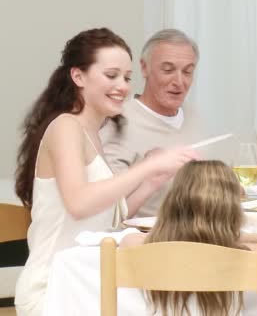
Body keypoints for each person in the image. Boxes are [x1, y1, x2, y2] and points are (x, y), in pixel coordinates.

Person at [13, 28, 198, 316]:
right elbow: (79, 202)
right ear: (78, 77)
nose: (122, 86)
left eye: (126, 77)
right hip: (53, 288)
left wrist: (150, 182)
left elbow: (103, 219)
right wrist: (146, 167)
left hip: (85, 280)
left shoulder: (94, 133)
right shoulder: (66, 126)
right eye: (111, 75)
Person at [120, 160, 257, 315]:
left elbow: (128, 239)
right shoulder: (242, 253)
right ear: (231, 208)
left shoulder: (145, 248)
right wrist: (235, 237)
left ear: (173, 202)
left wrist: (175, 230)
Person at [101, 28, 204, 217]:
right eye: (168, 70)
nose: (179, 81)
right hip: (144, 240)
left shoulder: (193, 116)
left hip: (199, 233)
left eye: (188, 72)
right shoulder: (119, 122)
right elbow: (108, 212)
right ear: (144, 68)